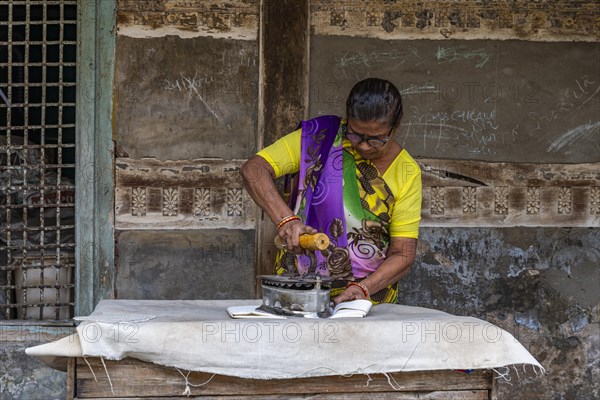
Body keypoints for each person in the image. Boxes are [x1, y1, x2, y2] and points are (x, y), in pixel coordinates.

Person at [241, 78, 421, 305]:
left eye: (376, 139)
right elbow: (253, 170)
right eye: (355, 134)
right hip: (300, 289)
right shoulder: (319, 139)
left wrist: (364, 288)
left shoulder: (406, 171)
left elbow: (403, 253)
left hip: (365, 301)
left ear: (396, 127)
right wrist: (286, 221)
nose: (364, 145)